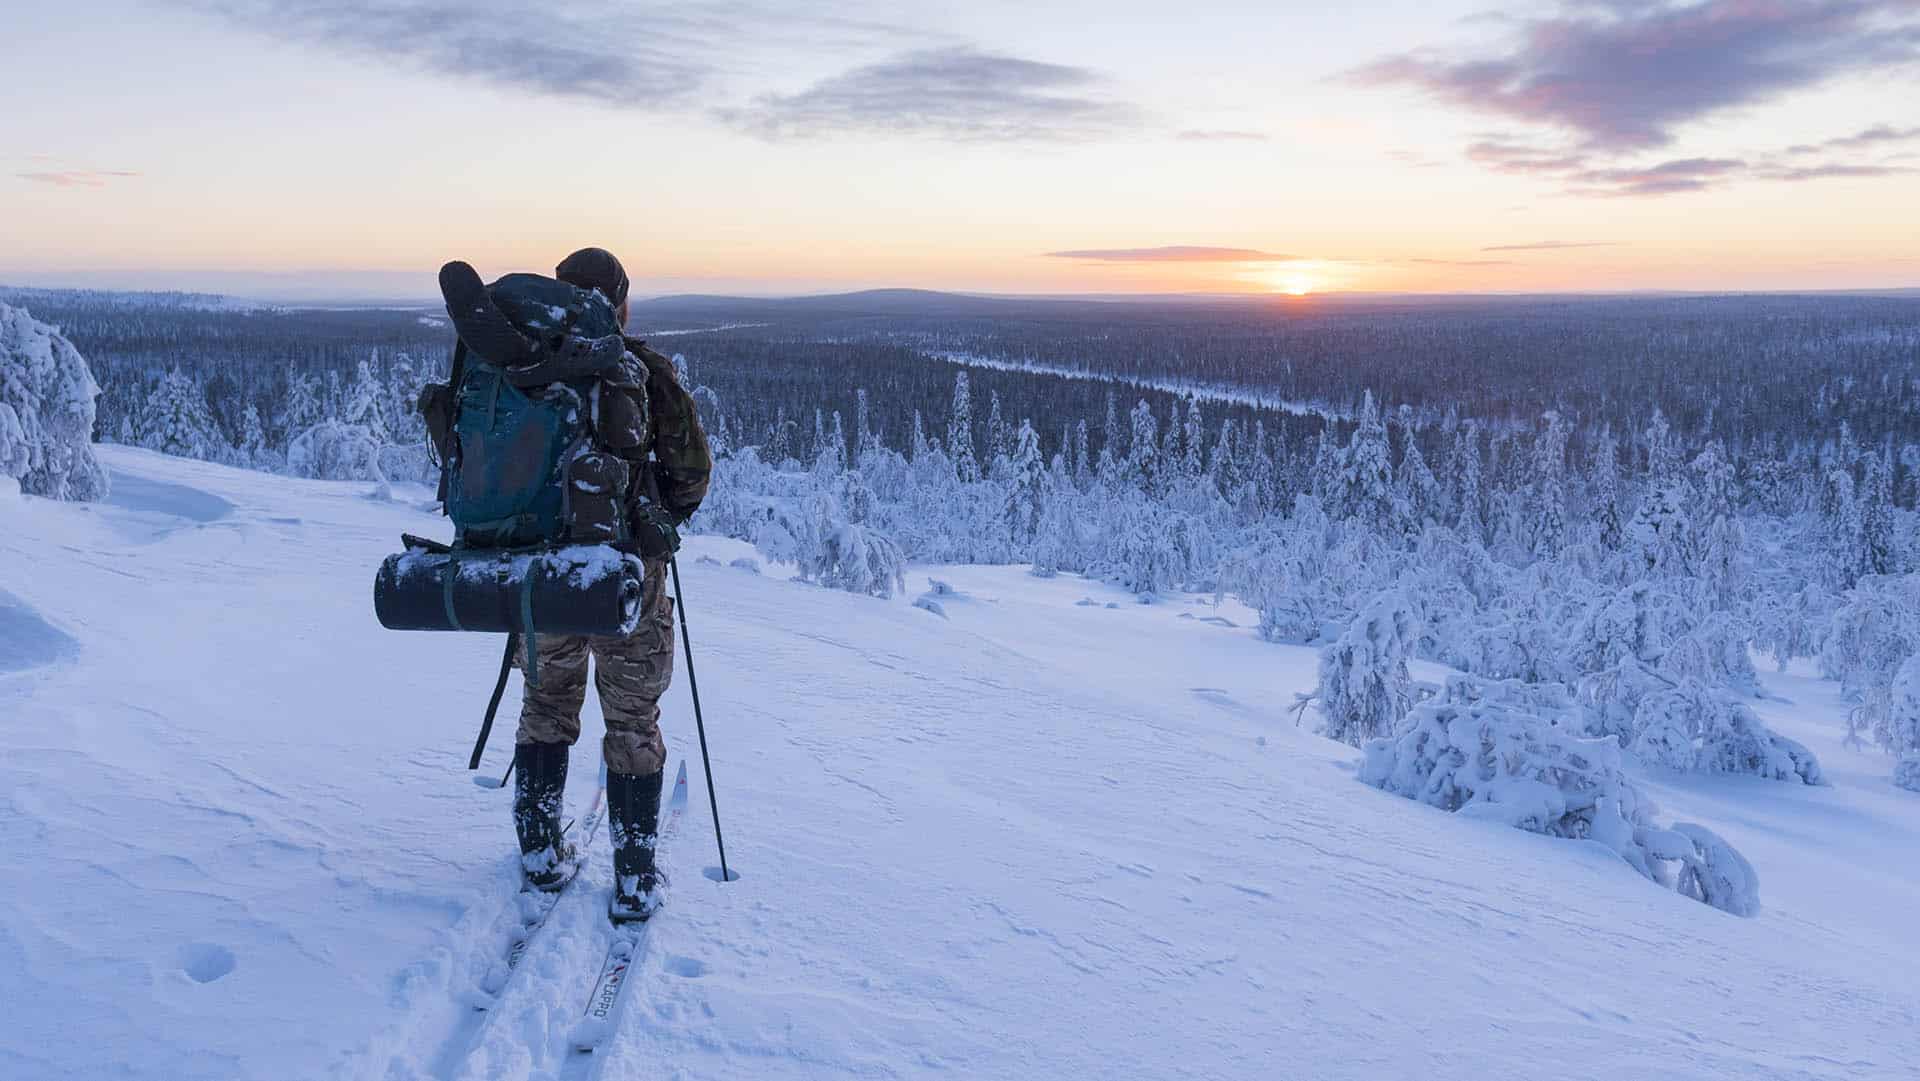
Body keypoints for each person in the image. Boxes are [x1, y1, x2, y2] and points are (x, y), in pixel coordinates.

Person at [511, 247, 712, 922]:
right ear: (620, 305)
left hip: (542, 572)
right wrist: (655, 521)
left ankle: (540, 852)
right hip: (624, 573)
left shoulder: (522, 366)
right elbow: (693, 473)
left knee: (546, 703)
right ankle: (633, 879)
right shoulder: (643, 371)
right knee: (632, 719)